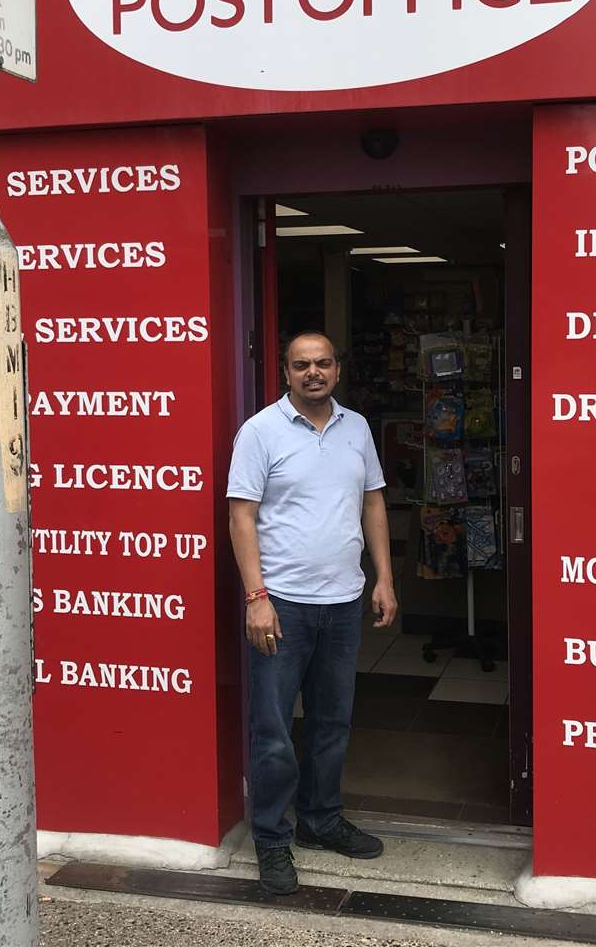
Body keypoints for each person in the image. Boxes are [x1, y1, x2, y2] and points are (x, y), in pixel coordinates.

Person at [227, 331, 398, 895]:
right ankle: (273, 839)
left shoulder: (357, 429)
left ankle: (321, 820)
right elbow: (241, 517)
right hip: (283, 607)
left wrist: (384, 579)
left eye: (322, 363)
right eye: (301, 365)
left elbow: (373, 500)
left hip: (344, 601)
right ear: (285, 373)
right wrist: (257, 599)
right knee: (274, 729)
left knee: (332, 722)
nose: (313, 373)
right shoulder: (261, 431)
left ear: (338, 369)